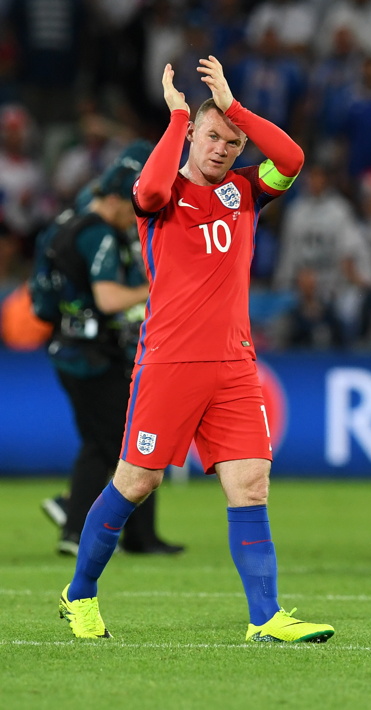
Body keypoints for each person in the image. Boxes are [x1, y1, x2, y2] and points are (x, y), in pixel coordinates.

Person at [58, 56, 334, 643]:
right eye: (213, 137)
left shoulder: (247, 192)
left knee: (251, 482)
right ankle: (79, 594)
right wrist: (180, 113)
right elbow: (152, 186)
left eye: (232, 143)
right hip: (169, 362)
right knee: (137, 481)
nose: (223, 150)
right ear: (191, 136)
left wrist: (235, 109)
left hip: (234, 365)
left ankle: (266, 618)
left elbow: (291, 159)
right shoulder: (162, 197)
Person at [44, 143, 184, 558]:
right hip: (92, 355)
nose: (134, 215)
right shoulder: (99, 234)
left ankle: (74, 527)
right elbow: (106, 298)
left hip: (72, 348)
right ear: (119, 198)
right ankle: (138, 537)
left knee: (100, 444)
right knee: (133, 442)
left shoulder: (71, 225)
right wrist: (158, 286)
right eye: (133, 205)